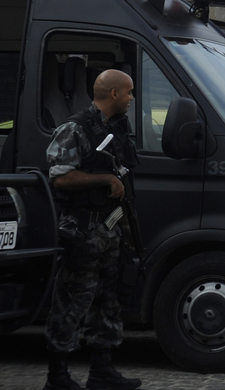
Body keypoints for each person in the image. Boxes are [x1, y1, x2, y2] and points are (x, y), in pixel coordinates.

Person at [44, 69, 142, 390]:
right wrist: (105, 179)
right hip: (82, 232)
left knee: (108, 300)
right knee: (73, 301)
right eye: (128, 92)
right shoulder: (76, 128)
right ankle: (57, 377)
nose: (131, 98)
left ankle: (101, 372)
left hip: (110, 231)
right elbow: (60, 176)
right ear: (113, 93)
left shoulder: (116, 129)